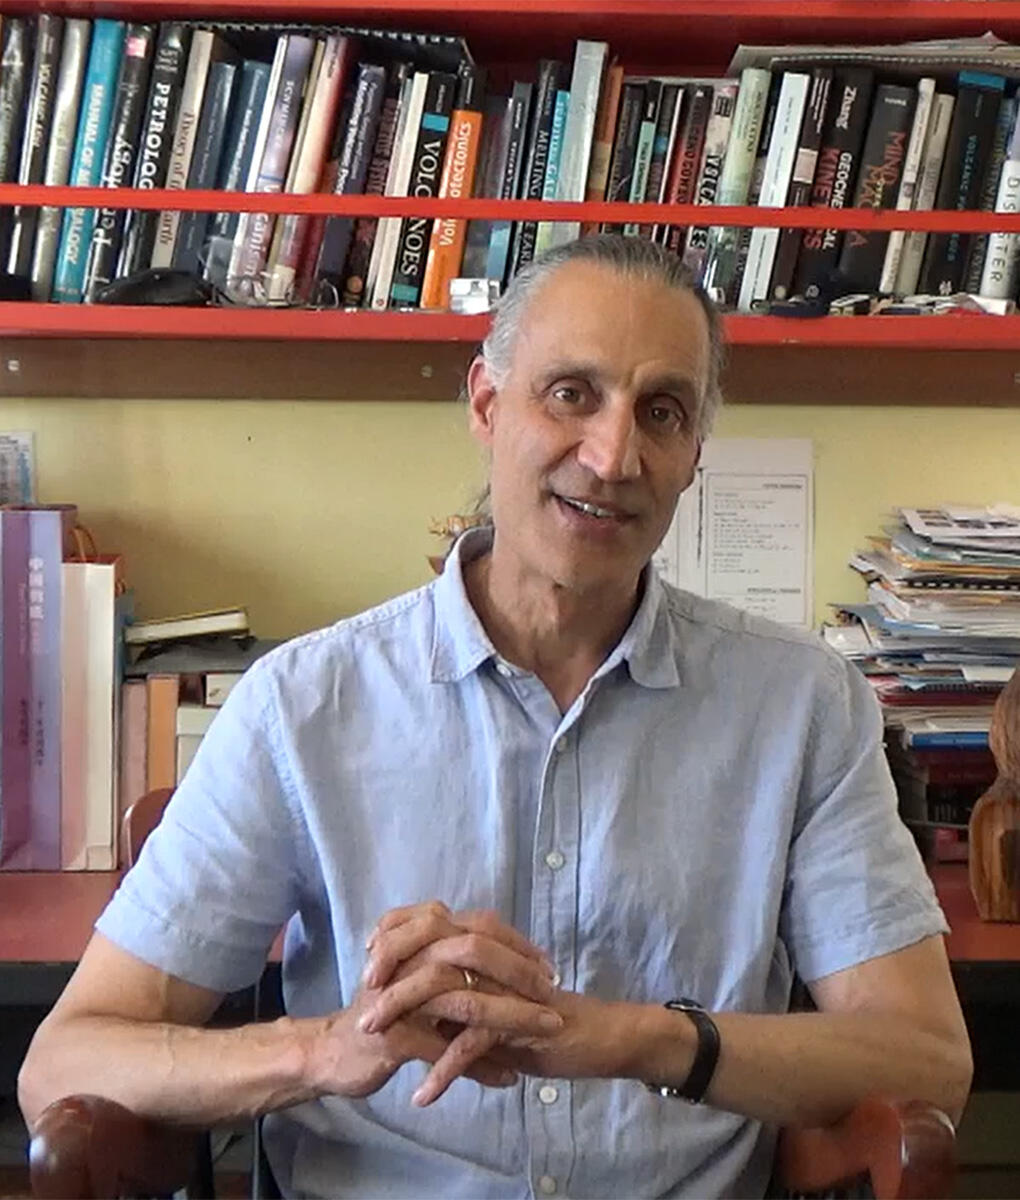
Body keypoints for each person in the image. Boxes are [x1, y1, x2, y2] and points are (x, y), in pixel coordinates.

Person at [19, 235, 971, 1199]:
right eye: (571, 394)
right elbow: (63, 1064)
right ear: (485, 403)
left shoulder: (801, 705)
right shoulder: (304, 705)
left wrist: (638, 1037)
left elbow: (928, 1061)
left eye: (663, 412)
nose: (612, 456)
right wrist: (328, 1050)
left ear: (693, 458)